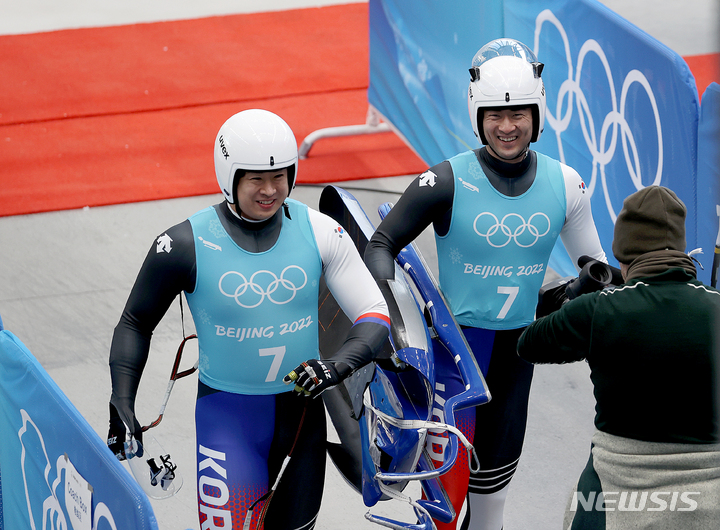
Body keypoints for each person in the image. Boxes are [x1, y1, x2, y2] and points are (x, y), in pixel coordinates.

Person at [106, 109, 391, 530]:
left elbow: (375, 312)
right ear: (229, 176)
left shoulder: (320, 230)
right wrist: (121, 399)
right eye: (256, 178)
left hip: (302, 425)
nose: (271, 190)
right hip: (229, 423)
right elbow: (134, 322)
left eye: (280, 176)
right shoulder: (184, 244)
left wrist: (337, 365)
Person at [363, 38, 607, 530]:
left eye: (518, 113)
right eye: (495, 114)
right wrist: (393, 320)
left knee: (493, 499)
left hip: (517, 358)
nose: (507, 126)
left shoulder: (567, 185)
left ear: (537, 114)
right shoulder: (447, 180)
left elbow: (599, 271)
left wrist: (571, 295)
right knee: (442, 508)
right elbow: (379, 245)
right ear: (478, 116)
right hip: (453, 357)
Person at [517, 185, 720, 529]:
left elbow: (528, 344)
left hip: (617, 487)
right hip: (709, 489)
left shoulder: (598, 310)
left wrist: (571, 301)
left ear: (624, 255)